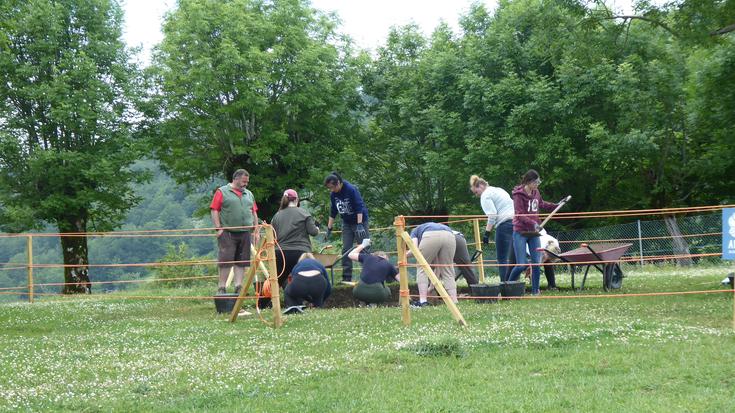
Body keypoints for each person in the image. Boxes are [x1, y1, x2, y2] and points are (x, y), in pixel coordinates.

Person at [507, 169, 559, 295]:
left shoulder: (536, 192)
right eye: (535, 182)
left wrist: (555, 205)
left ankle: (536, 291)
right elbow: (519, 215)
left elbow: (541, 204)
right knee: (521, 265)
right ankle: (507, 287)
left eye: (538, 182)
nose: (537, 184)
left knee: (536, 263)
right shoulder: (518, 195)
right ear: (529, 182)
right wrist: (534, 223)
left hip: (534, 232)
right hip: (521, 231)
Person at [210, 169, 259, 295]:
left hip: (245, 232)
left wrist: (256, 230)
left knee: (242, 261)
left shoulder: (249, 194)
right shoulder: (222, 191)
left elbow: (254, 212)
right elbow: (214, 210)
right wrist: (219, 229)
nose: (245, 184)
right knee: (225, 261)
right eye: (243, 181)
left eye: (247, 182)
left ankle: (238, 286)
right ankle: (222, 287)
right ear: (235, 179)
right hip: (228, 232)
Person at [324, 172, 369, 283]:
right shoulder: (333, 195)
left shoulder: (351, 189)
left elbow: (359, 207)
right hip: (347, 223)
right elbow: (333, 211)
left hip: (360, 222)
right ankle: (346, 277)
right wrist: (329, 228)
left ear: (338, 183)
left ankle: (368, 276)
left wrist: (359, 224)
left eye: (332, 187)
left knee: (364, 248)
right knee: (346, 249)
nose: (331, 190)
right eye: (329, 188)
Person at [271, 189, 320, 290]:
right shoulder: (304, 213)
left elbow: (272, 236)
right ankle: (304, 302)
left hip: (281, 253)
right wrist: (317, 228)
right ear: (297, 199)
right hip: (301, 253)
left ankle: (263, 303)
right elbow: (313, 232)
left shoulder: (276, 216)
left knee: (276, 281)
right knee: (302, 279)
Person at [469, 174, 515, 282]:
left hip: (504, 225)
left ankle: (505, 286)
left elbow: (492, 214)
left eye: (476, 192)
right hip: (516, 223)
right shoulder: (499, 190)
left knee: (502, 258)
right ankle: (514, 283)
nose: (477, 195)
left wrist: (487, 233)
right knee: (513, 257)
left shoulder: (485, 195)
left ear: (480, 186)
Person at [409, 222, 457, 306]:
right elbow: (437, 268)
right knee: (447, 269)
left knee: (422, 267)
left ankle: (423, 301)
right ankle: (454, 301)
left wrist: (402, 256)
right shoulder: (425, 227)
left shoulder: (414, 231)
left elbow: (414, 249)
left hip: (430, 235)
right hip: (450, 234)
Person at [349, 239, 399, 306]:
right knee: (387, 290)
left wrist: (363, 245)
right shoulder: (389, 265)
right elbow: (402, 281)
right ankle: (374, 303)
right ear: (386, 258)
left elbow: (350, 255)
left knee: (364, 285)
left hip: (358, 291)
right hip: (377, 293)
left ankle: (362, 302)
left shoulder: (368, 257)